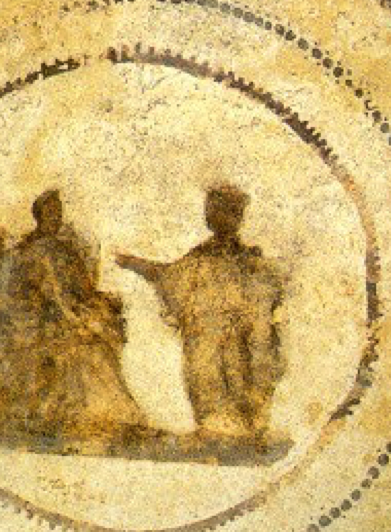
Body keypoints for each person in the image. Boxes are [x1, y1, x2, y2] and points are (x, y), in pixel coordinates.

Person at [116, 186, 286, 443]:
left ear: (235, 216)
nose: (212, 215)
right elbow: (170, 277)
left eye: (219, 210)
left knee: (235, 377)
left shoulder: (248, 259)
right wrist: (135, 264)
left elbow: (268, 296)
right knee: (208, 378)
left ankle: (239, 429)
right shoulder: (203, 255)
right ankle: (220, 430)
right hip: (205, 338)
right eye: (210, 209)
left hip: (232, 339)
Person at [0, 189, 147, 448]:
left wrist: (100, 302)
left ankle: (108, 415)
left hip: (63, 315)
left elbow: (79, 289)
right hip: (41, 325)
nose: (56, 217)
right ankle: (95, 416)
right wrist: (80, 318)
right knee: (91, 344)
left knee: (99, 331)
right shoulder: (33, 251)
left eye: (58, 212)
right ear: (39, 216)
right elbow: (54, 296)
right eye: (51, 212)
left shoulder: (61, 248)